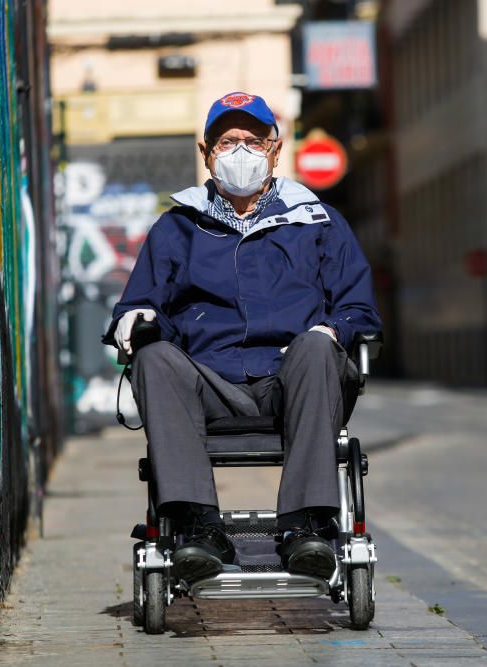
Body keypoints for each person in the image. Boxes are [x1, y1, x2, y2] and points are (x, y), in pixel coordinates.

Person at [101, 91, 382, 584]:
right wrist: (137, 320)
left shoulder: (317, 222)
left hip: (297, 380)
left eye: (253, 141)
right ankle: (198, 529)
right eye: (227, 142)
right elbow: (138, 306)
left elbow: (359, 309)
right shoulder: (178, 228)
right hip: (210, 382)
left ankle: (306, 526)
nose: (241, 152)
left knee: (318, 345)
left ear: (276, 149)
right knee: (155, 358)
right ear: (206, 152)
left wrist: (330, 329)